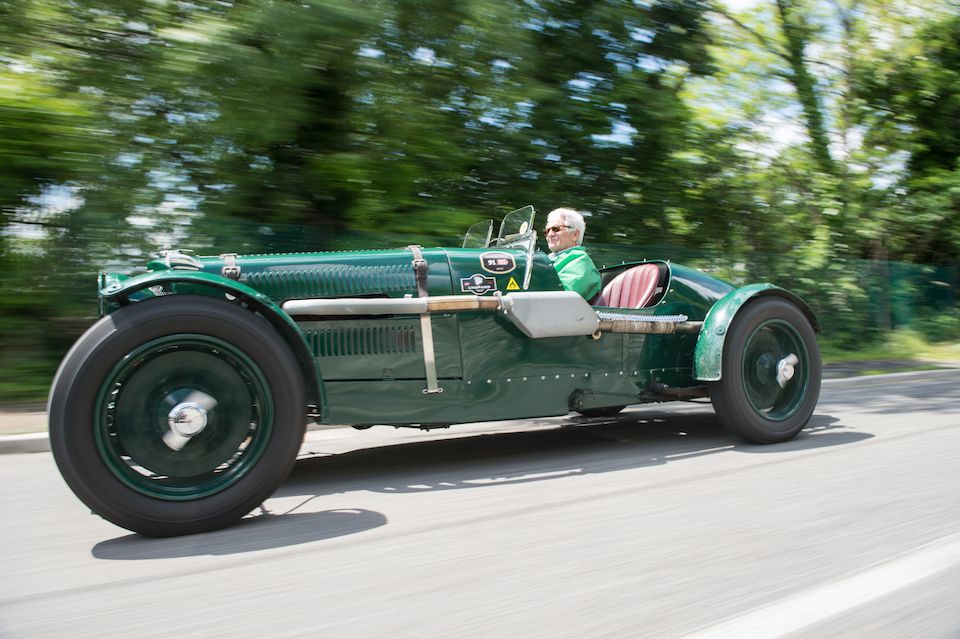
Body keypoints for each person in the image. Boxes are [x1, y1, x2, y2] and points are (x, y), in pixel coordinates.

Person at [544, 207, 601, 301]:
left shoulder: (580, 261)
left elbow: (563, 299)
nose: (550, 235)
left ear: (575, 235)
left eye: (555, 229)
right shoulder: (547, 259)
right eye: (547, 231)